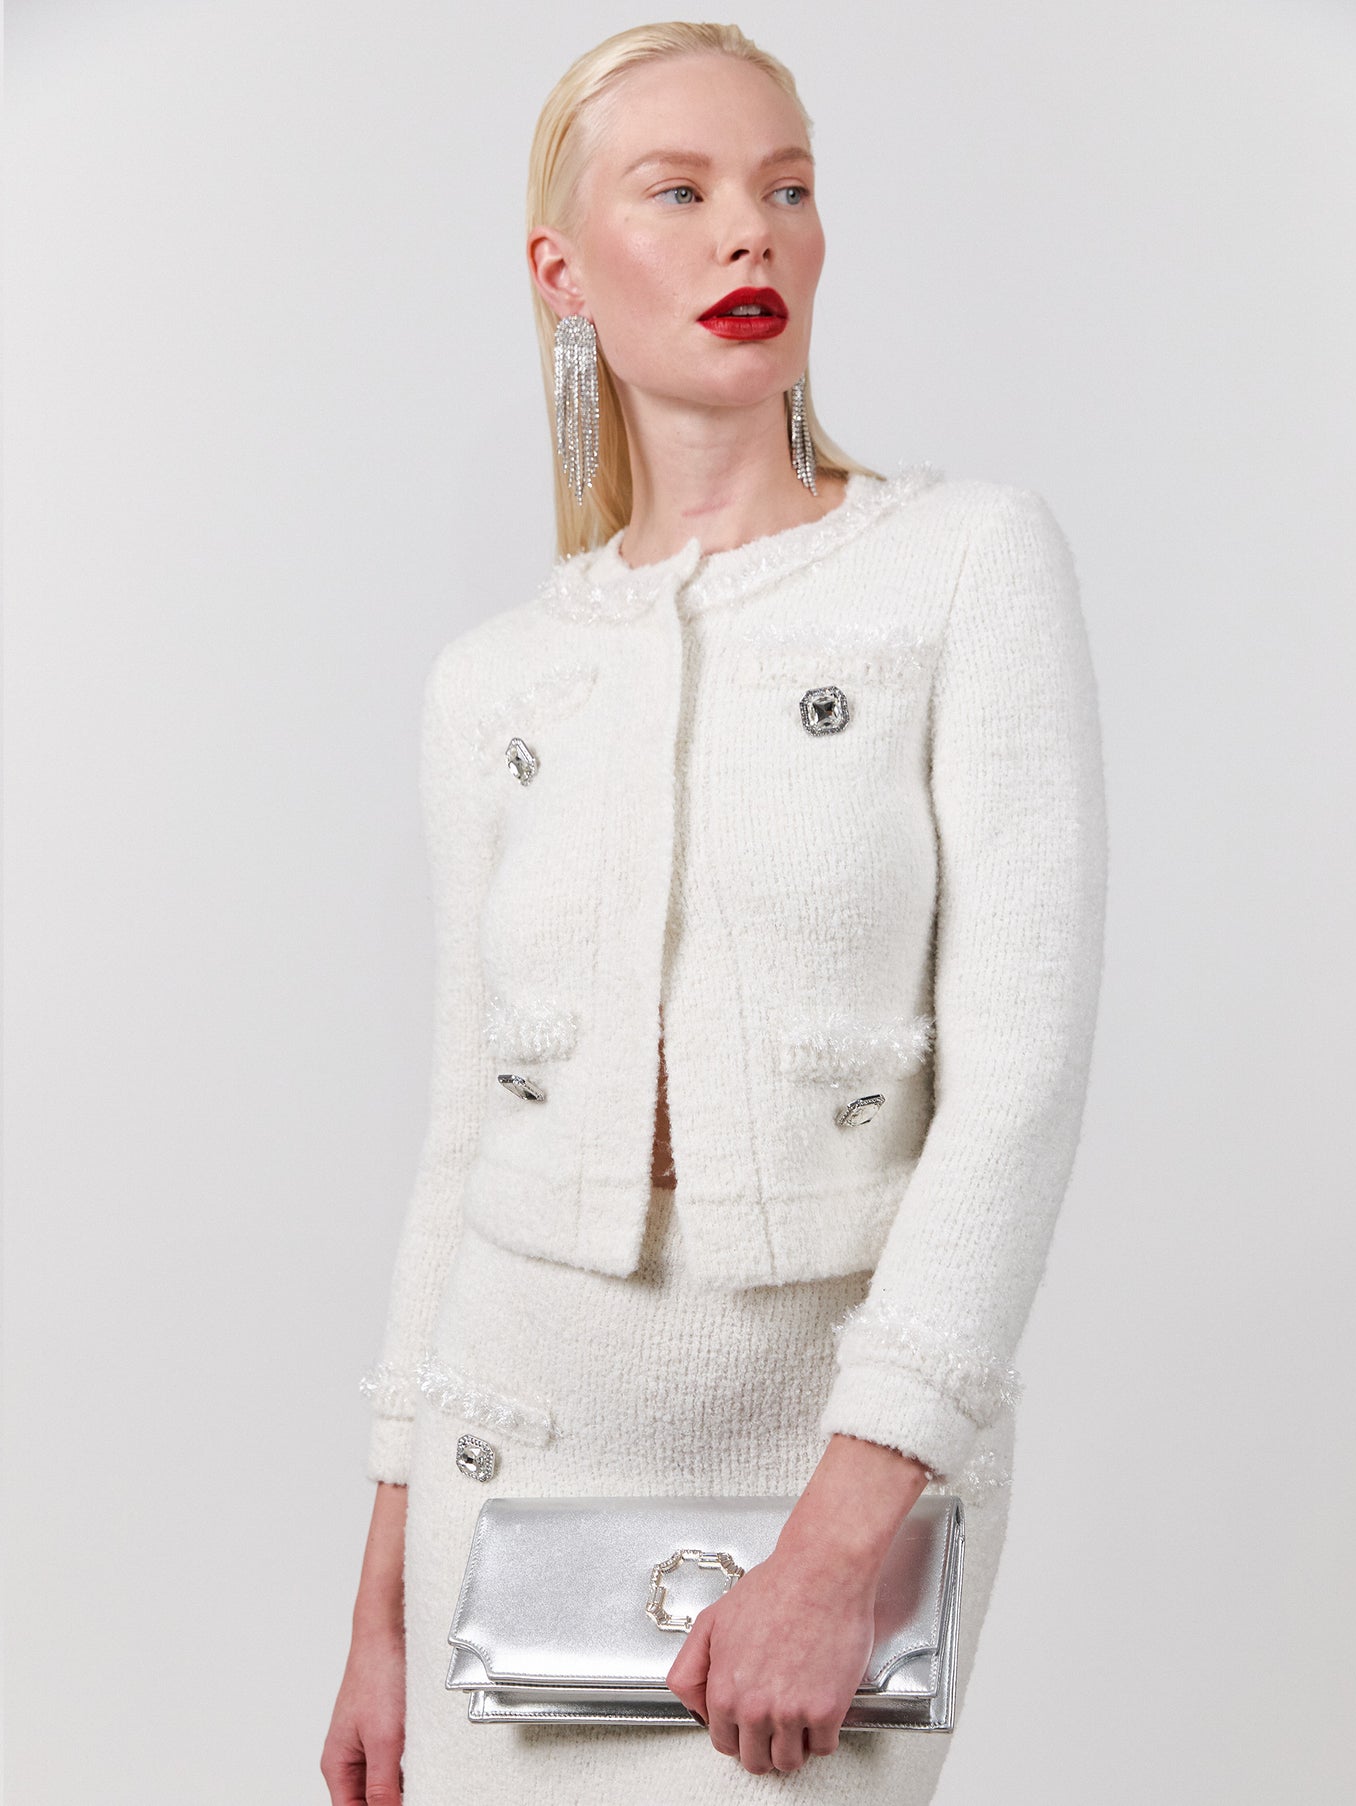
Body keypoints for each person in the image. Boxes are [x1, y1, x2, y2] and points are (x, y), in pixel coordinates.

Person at [322, 20, 1107, 1805]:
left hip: (827, 1457)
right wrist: (380, 1604)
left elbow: (1019, 1087)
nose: (750, 230)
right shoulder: (494, 679)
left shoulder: (963, 565)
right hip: (509, 1446)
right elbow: (460, 1142)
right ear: (562, 271)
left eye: (786, 188)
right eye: (675, 192)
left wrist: (836, 1542)